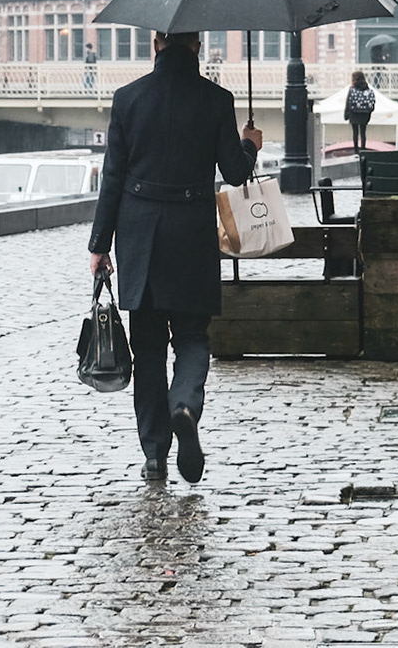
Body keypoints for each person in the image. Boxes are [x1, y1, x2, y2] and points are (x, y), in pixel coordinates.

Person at [88, 31, 261, 485]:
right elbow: (236, 172)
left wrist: (99, 245)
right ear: (197, 45)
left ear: (156, 43)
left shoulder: (128, 99)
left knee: (147, 349)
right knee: (191, 337)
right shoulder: (217, 99)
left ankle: (154, 455)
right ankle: (184, 404)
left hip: (141, 236)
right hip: (191, 236)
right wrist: (250, 144)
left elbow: (113, 178)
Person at [344, 70, 377, 155]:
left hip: (354, 113)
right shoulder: (367, 88)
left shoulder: (352, 89)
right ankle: (363, 148)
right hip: (364, 114)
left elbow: (348, 102)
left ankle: (356, 150)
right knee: (363, 131)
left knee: (355, 132)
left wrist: (346, 114)